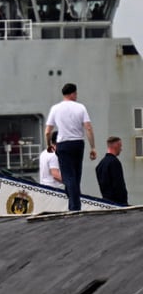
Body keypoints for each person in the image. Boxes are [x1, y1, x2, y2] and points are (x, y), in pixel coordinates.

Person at [45, 83, 96, 211]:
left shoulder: (55, 109)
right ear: (73, 93)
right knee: (76, 175)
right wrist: (93, 147)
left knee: (69, 176)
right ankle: (74, 204)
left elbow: (47, 131)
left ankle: (74, 206)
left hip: (63, 144)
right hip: (78, 144)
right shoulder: (81, 108)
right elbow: (88, 128)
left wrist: (49, 145)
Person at [95, 136, 128, 206]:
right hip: (117, 203)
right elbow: (119, 185)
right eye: (120, 146)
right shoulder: (114, 162)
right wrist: (123, 202)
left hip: (106, 201)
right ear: (116, 146)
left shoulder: (100, 165)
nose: (121, 149)